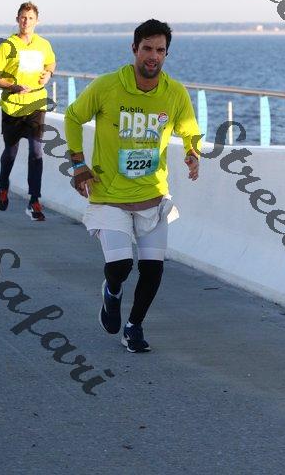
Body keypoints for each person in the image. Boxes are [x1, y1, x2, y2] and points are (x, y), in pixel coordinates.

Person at [64, 19, 200, 353]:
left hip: (152, 196)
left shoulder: (175, 92)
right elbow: (73, 116)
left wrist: (193, 152)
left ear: (166, 54)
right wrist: (78, 164)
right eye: (147, 49)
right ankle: (111, 292)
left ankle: (133, 327)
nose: (153, 56)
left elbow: (190, 129)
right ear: (134, 49)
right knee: (120, 266)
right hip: (109, 196)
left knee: (153, 269)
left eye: (160, 50)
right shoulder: (107, 86)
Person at [0, 1, 56, 221]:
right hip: (13, 106)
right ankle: (3, 186)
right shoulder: (7, 46)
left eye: (30, 18)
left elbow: (51, 63)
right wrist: (12, 86)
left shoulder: (43, 44)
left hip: (36, 103)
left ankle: (34, 200)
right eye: (23, 17)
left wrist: (48, 74)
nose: (26, 21)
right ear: (17, 19)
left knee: (36, 151)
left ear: (37, 21)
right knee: (11, 152)